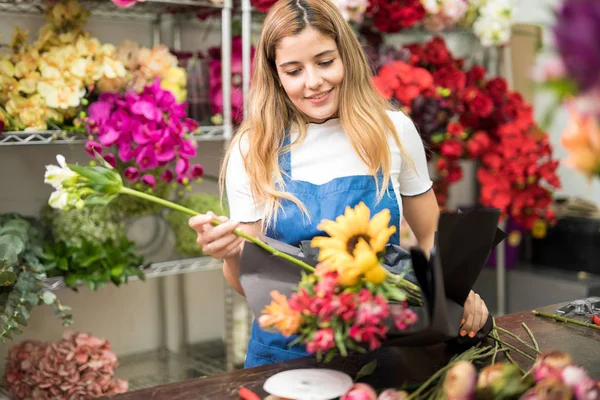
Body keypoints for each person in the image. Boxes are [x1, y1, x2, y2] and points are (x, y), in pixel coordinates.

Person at [189, 0, 489, 368]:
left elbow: (428, 236)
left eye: (325, 61)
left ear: (346, 55)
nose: (313, 82)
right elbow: (250, 285)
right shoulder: (253, 149)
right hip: (285, 357)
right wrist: (231, 253)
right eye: (293, 70)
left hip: (378, 350)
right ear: (275, 75)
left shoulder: (392, 131)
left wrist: (456, 292)